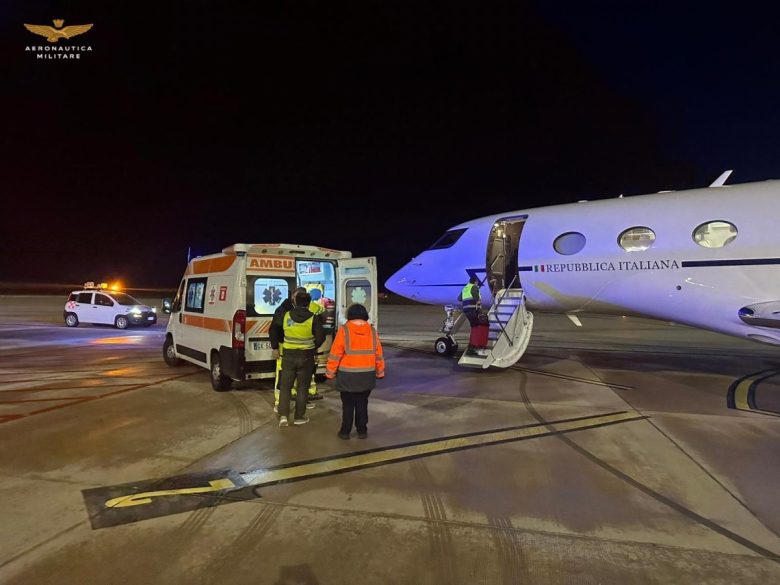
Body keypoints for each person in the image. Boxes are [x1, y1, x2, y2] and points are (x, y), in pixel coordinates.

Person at [326, 303, 385, 439]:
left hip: (347, 375)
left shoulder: (344, 330)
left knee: (347, 405)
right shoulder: (372, 331)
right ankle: (362, 430)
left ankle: (345, 432)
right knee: (362, 403)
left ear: (349, 315)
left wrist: (330, 372)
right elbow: (378, 354)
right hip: (367, 375)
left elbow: (335, 353)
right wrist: (380, 371)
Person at [275, 290, 325, 427]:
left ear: (294, 302)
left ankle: (283, 416)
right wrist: (312, 346)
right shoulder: (313, 318)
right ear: (308, 304)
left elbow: (277, 329)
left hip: (288, 355)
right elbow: (321, 337)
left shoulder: (286, 316)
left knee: (285, 387)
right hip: (306, 357)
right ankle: (299, 417)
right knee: (302, 388)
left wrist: (280, 344)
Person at [270, 287, 307, 412]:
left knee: (297, 376)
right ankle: (279, 402)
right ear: (293, 296)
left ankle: (295, 401)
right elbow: (274, 329)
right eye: (298, 296)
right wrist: (275, 347)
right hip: (283, 346)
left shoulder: (302, 310)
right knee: (281, 375)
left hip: (298, 349)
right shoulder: (282, 310)